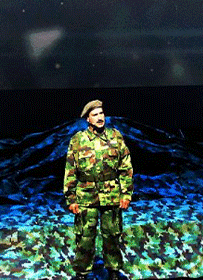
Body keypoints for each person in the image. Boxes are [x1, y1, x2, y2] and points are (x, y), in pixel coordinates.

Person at [64, 100, 133, 280]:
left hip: (111, 193)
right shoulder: (78, 140)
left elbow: (125, 167)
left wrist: (126, 193)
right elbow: (70, 170)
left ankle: (113, 270)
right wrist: (71, 198)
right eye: (95, 114)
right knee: (85, 236)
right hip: (86, 195)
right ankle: (82, 272)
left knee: (112, 234)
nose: (100, 117)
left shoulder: (115, 137)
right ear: (88, 119)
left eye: (101, 113)